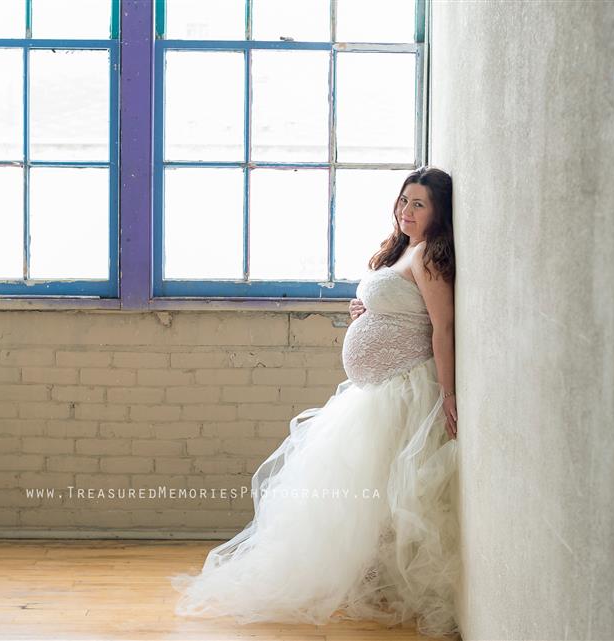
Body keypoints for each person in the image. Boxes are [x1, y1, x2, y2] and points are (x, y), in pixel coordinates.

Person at [170, 166, 461, 640]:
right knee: (362, 494)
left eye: (419, 204)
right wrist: (366, 309)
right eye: (403, 200)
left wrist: (448, 392)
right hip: (375, 391)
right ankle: (369, 581)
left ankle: (389, 585)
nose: (406, 211)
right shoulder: (403, 249)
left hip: (403, 388)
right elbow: (398, 305)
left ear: (438, 212)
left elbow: (442, 327)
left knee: (391, 495)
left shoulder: (429, 253)